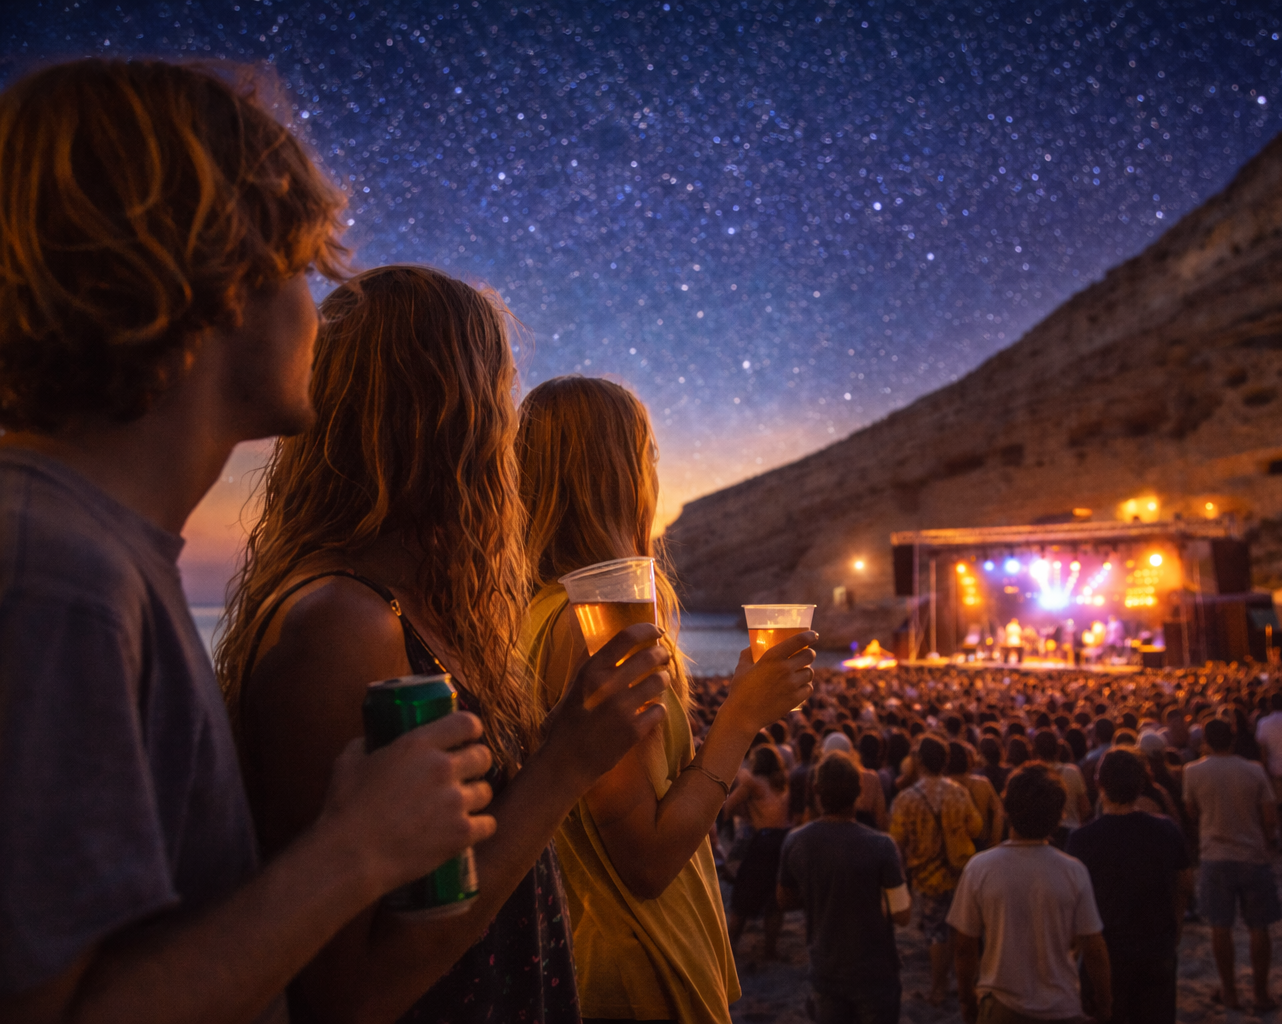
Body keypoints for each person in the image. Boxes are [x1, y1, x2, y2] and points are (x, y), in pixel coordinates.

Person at [0, 60, 497, 1023]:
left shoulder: (93, 557)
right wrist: (355, 850)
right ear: (221, 278)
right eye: (304, 272)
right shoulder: (55, 578)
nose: (320, 316)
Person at [217, 267, 674, 1021]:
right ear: (449, 417)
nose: (510, 429)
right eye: (501, 394)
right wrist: (564, 763)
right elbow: (341, 996)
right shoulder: (343, 624)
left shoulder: (414, 608)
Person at [513, 376, 814, 1024]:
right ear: (620, 473)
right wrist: (741, 716)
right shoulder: (592, 627)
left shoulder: (529, 616)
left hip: (592, 949)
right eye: (646, 455)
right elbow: (646, 858)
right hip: (639, 961)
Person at [950, 764, 1112, 1024]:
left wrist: (967, 999)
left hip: (1002, 1005)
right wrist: (1104, 1005)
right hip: (1062, 1005)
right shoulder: (1073, 871)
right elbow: (1093, 946)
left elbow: (964, 945)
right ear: (1059, 816)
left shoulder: (981, 867)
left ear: (1005, 809)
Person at [778, 752, 911, 1024]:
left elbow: (784, 899)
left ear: (816, 791)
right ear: (859, 791)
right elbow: (903, 915)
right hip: (875, 970)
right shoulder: (881, 845)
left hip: (826, 967)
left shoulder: (796, 841)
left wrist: (822, 894)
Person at [1068, 751, 1193, 1024]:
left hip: (1104, 951)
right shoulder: (1166, 830)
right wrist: (1176, 926)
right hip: (1156, 945)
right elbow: (1183, 883)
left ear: (1099, 783)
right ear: (1142, 784)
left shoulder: (1082, 840)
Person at [1183, 718, 1281, 1012]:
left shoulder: (1193, 771)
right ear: (1233, 740)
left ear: (1206, 742)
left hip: (1215, 855)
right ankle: (1261, 993)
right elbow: (1270, 816)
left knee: (1220, 926)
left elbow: (1191, 811)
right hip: (1252, 855)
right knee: (1259, 926)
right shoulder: (1253, 770)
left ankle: (1229, 992)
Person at [889, 735, 983, 1006]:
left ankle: (938, 988)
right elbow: (976, 827)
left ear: (918, 761)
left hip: (928, 874)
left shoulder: (907, 799)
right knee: (961, 929)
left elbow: (897, 840)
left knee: (935, 932)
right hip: (960, 869)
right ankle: (960, 983)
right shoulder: (958, 792)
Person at [723, 746, 793, 958]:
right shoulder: (782, 781)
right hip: (784, 840)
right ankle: (770, 949)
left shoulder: (754, 783)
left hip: (763, 842)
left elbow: (728, 807)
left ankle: (728, 949)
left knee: (743, 898)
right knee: (774, 900)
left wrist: (749, 816)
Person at [1254, 694, 1282, 851]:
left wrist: (1265, 769)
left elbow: (1263, 750)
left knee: (1281, 808)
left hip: (1275, 769)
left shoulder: (1264, 723)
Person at [946, 742, 1005, 849]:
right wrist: (995, 840)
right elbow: (998, 812)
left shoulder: (943, 788)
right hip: (983, 844)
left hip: (954, 848)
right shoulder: (983, 784)